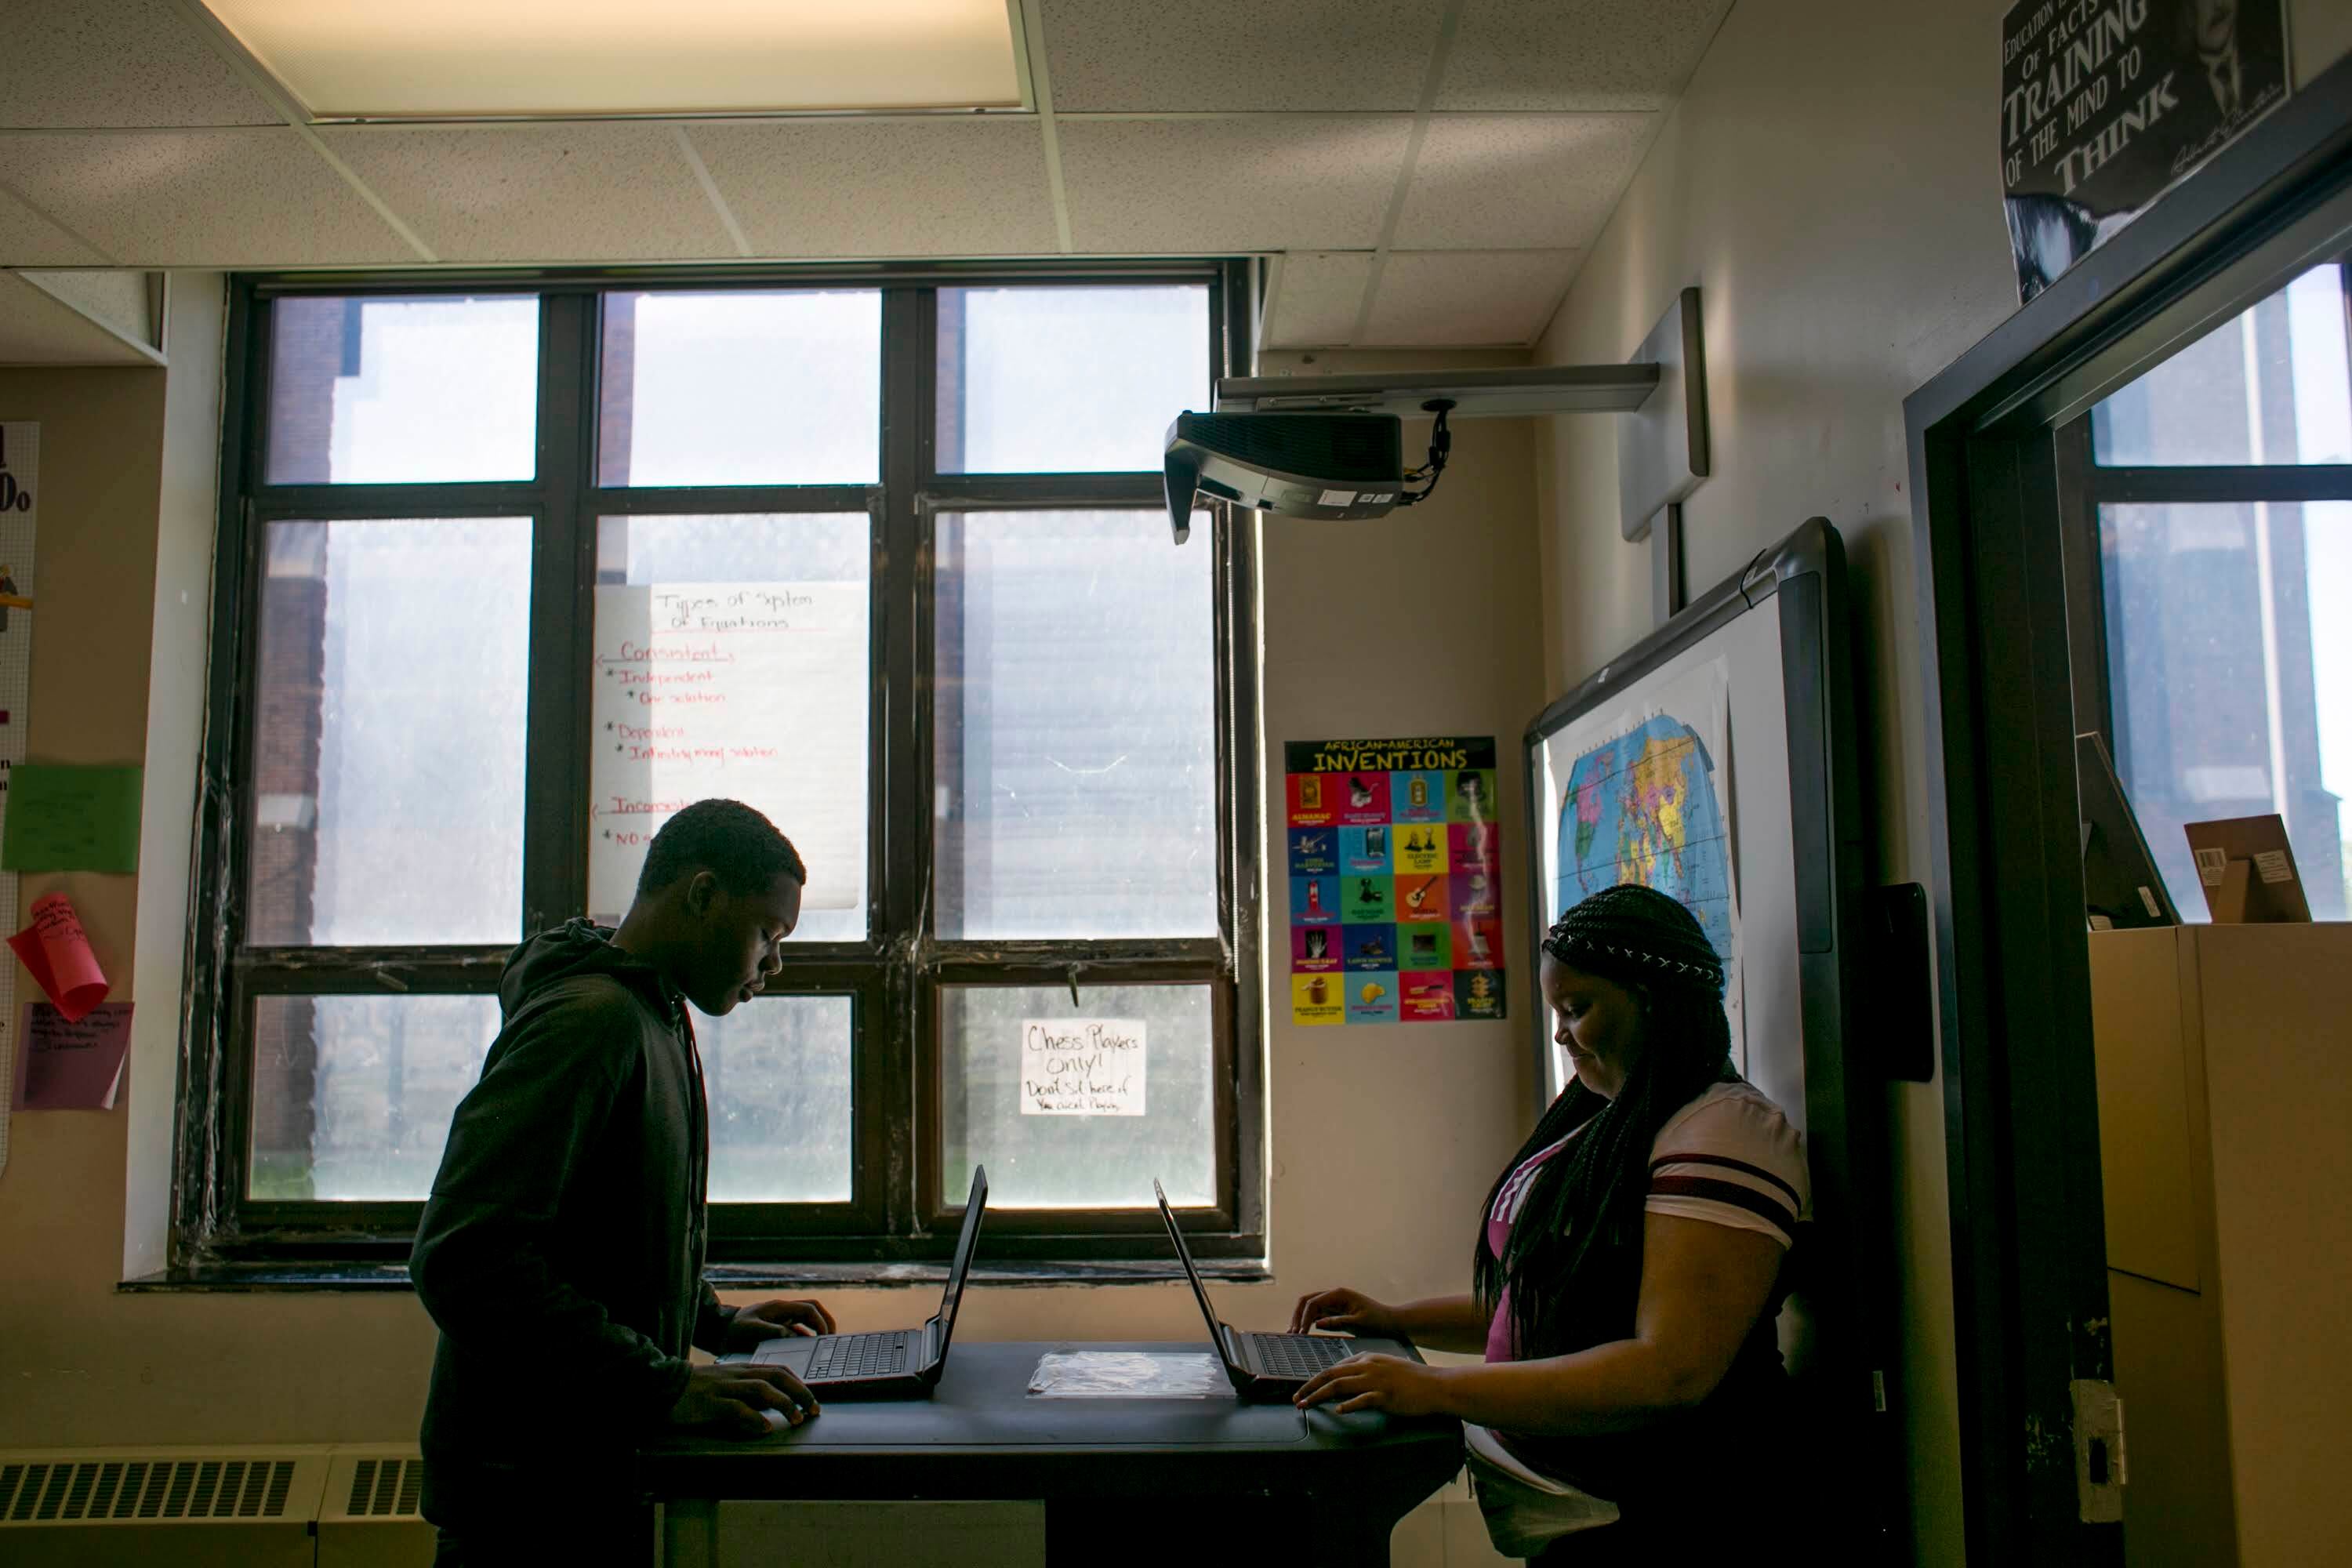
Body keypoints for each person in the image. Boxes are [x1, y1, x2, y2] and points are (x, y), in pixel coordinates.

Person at [1290, 884, 1808, 1561]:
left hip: (1668, 1519)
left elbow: (1671, 1371)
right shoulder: (1609, 1117)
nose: (1562, 1032)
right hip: (1575, 1512)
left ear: (1648, 999)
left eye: (1578, 1008)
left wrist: (1439, 1389)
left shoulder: (1726, 1131)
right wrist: (1396, 1319)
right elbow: (1547, 1302)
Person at [412, 799, 838, 1565]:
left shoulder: (654, 1012)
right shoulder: (591, 1022)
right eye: (768, 934)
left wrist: (713, 1320)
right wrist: (664, 1385)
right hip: (528, 1503)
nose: (775, 962)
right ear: (703, 895)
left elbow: (601, 1234)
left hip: (584, 1473)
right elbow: (465, 1258)